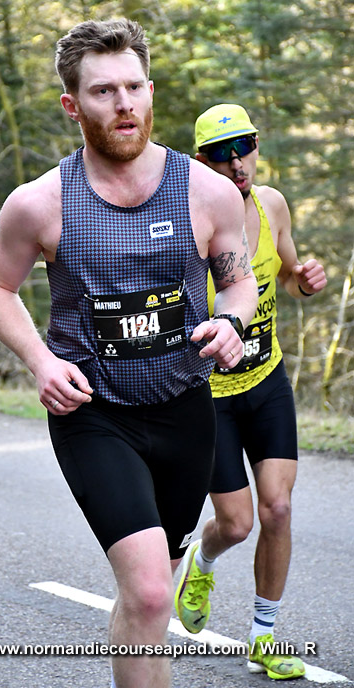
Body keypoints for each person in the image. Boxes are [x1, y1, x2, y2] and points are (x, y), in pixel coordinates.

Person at [0, 21, 258, 688]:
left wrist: (230, 323)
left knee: (149, 591)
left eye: (134, 87)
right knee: (153, 592)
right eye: (103, 91)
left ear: (151, 91)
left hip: (186, 409)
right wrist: (42, 362)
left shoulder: (208, 191)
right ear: (72, 105)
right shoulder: (39, 203)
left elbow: (238, 281)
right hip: (94, 414)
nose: (124, 103)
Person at [176, 103, 327, 680]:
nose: (237, 163)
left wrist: (303, 280)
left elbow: (286, 275)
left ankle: (263, 637)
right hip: (211, 396)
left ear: (258, 147)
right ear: (201, 161)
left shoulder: (272, 205)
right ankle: (203, 557)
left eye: (245, 147)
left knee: (279, 508)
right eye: (222, 154)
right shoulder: (187, 219)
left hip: (267, 381)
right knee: (237, 524)